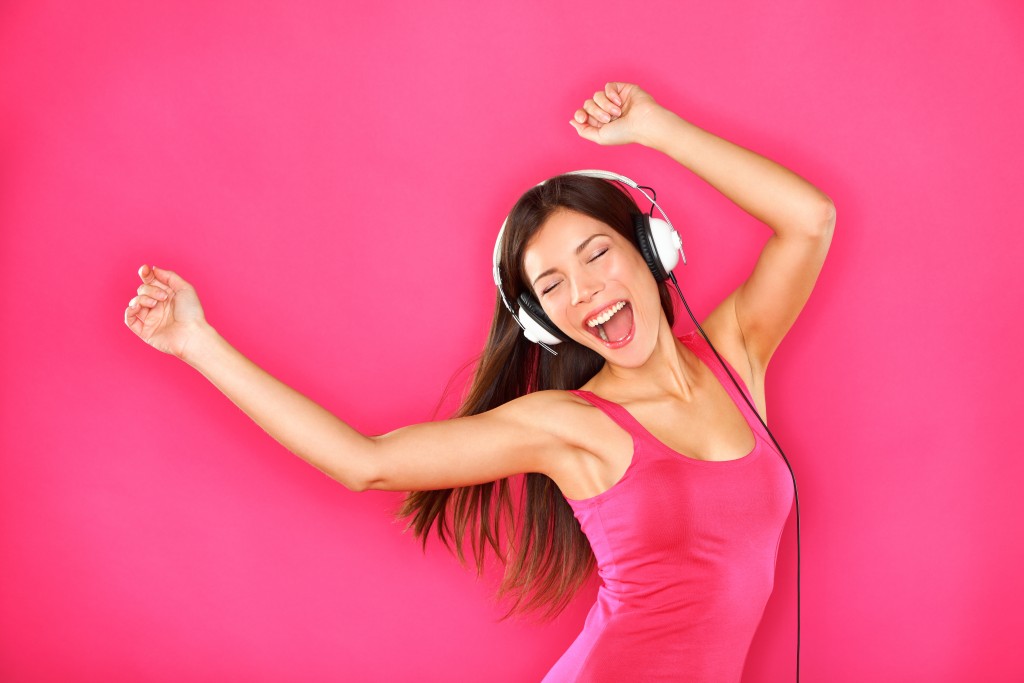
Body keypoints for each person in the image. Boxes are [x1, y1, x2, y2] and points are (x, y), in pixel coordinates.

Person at [124, 81, 834, 682]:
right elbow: (364, 461)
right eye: (553, 285)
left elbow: (810, 220)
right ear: (543, 320)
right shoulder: (570, 424)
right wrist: (196, 341)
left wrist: (656, 126)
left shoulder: (737, 356)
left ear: (652, 248)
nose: (587, 293)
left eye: (598, 255)